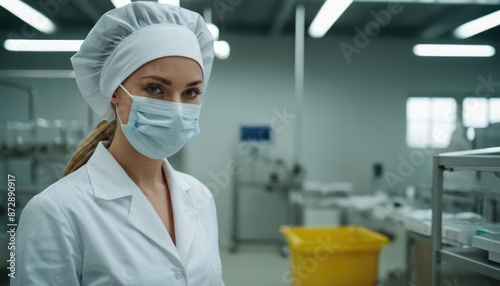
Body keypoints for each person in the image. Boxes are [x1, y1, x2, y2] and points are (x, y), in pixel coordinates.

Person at [12, 2, 224, 285]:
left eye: (191, 92)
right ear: (115, 92)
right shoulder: (56, 211)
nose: (176, 108)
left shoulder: (200, 197)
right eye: (155, 88)